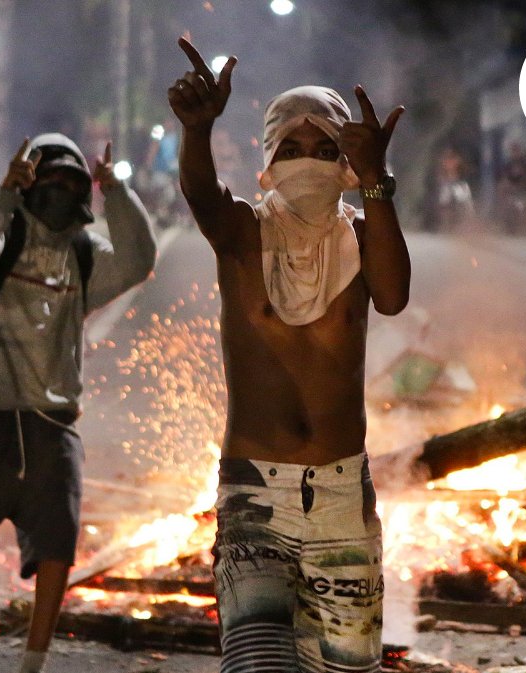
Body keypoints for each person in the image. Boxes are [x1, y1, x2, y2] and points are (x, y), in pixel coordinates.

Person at [168, 38, 410, 673]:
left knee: (348, 668)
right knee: (260, 665)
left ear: (348, 165)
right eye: (292, 149)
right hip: (254, 498)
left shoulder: (361, 237)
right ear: (269, 159)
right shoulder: (245, 232)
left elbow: (392, 296)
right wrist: (197, 131)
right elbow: (200, 194)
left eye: (327, 150)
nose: (309, 162)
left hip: (342, 497)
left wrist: (378, 182)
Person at [0, 133, 157, 673]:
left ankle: (32, 665)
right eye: (48, 179)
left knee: (57, 544)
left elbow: (140, 260)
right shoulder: (5, 245)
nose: (59, 190)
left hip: (54, 422)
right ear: (29, 186)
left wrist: (115, 187)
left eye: (72, 182)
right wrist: (3, 199)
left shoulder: (87, 259)